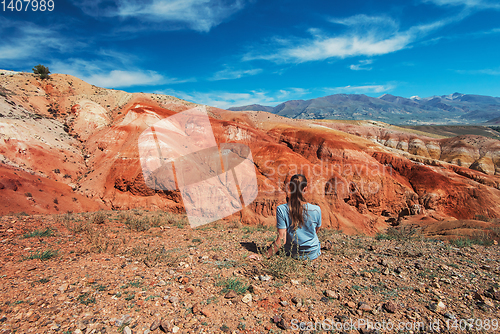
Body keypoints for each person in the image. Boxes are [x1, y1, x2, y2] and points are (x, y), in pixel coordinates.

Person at [265, 174, 322, 260]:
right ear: (305, 188)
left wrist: (263, 256)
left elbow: (281, 240)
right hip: (312, 252)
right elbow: (315, 231)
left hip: (292, 252)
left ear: (290, 187)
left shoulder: (282, 209)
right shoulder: (316, 209)